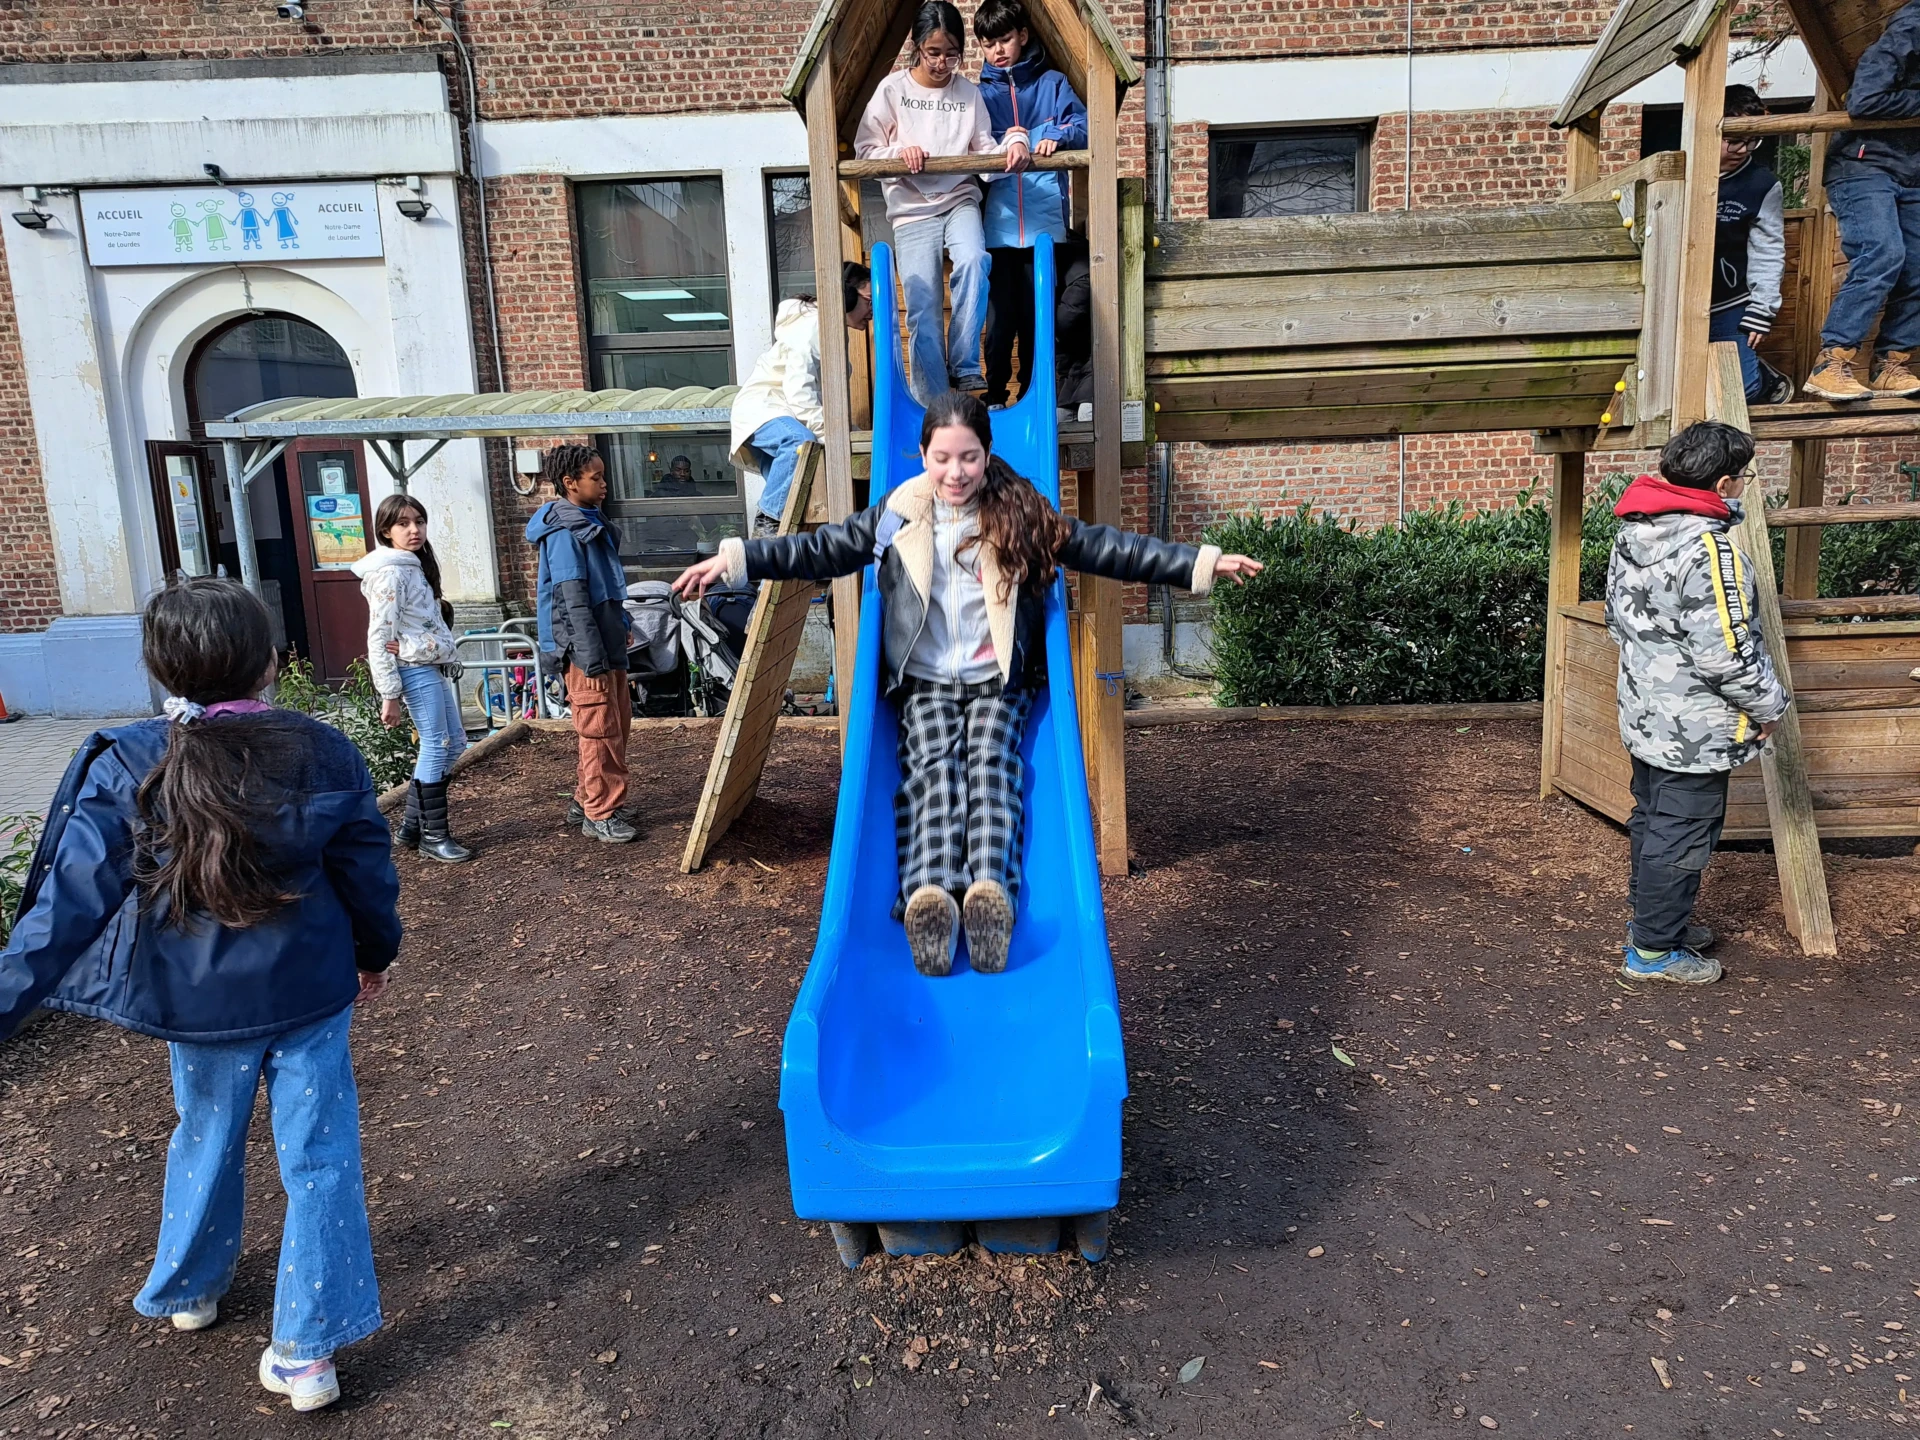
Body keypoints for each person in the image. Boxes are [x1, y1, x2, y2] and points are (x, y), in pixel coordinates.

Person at [672, 391, 1262, 976]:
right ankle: (929, 895)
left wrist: (1198, 563)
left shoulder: (1021, 512)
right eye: (943, 458)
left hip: (997, 682)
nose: (956, 472)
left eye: (969, 457)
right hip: (925, 682)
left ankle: (988, 895)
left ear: (987, 453)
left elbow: (1105, 548)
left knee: (990, 771)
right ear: (923, 453)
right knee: (930, 777)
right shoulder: (898, 515)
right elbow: (822, 550)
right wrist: (736, 559)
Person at [0, 577, 400, 1412]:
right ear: (268, 662)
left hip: (198, 1003)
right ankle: (308, 1355)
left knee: (205, 1133)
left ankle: (190, 1287)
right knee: (321, 1158)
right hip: (309, 990)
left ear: (161, 666)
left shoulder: (130, 760)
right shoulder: (324, 750)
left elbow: (64, 908)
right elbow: (365, 871)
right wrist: (375, 953)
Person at [1605, 421, 1791, 985]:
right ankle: (1653, 952)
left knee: (1653, 819)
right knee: (1681, 832)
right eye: (1745, 477)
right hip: (1696, 727)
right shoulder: (1710, 550)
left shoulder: (1634, 530)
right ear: (1725, 483)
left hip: (1645, 712)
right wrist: (1770, 706)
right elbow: (1726, 655)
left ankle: (1652, 924)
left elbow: (1617, 622)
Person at [855, 0, 1030, 404]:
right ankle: (932, 400)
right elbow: (866, 150)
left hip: (958, 198)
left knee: (974, 261)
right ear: (917, 46)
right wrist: (898, 153)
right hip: (911, 209)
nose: (941, 63)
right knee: (923, 304)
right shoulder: (892, 90)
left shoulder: (967, 93)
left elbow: (985, 153)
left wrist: (1016, 140)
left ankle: (965, 364)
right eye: (933, 52)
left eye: (952, 54)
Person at [974, 0, 1088, 411]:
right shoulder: (979, 95)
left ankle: (1031, 395)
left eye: (1005, 39)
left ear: (1022, 36)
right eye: (988, 43)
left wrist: (1058, 134)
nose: (998, 50)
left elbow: (1084, 125)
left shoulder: (1053, 84)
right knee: (999, 321)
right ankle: (995, 394)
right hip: (998, 229)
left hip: (1044, 227)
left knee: (1035, 317)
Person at [1806, 0, 1920, 401]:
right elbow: (1864, 101)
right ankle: (1831, 362)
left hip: (1912, 173)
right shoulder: (1909, 29)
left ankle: (1891, 364)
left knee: (1918, 265)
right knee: (1882, 252)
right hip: (1863, 164)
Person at [525, 445, 639, 843]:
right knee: (599, 729)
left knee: (614, 724)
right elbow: (571, 602)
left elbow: (605, 587)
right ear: (570, 482)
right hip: (586, 652)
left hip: (606, 644)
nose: (604, 484)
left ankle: (586, 799)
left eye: (603, 475)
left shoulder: (589, 520)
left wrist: (622, 623)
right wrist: (590, 661)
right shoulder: (564, 532)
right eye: (596, 478)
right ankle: (600, 814)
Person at [353, 494, 471, 862]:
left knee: (455, 743)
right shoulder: (391, 571)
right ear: (386, 530)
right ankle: (434, 836)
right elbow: (379, 636)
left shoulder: (414, 565)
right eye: (403, 524)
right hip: (413, 669)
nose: (414, 529)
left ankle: (412, 825)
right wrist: (389, 694)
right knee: (437, 744)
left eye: (419, 521)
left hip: (427, 664)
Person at [730, 262, 875, 535]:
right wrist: (833, 435)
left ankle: (774, 546)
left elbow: (829, 402)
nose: (872, 311)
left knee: (796, 504)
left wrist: (849, 432)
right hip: (764, 408)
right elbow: (800, 393)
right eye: (869, 301)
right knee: (800, 444)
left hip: (783, 412)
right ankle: (766, 524)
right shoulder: (813, 325)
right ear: (846, 295)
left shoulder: (832, 330)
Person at [1713, 86, 1793, 405]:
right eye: (1734, 140)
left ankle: (1765, 379)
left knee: (1742, 391)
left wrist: (1761, 309)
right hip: (1678, 301)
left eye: (1752, 141)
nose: (1743, 150)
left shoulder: (1762, 184)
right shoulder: (1680, 169)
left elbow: (1768, 250)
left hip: (1730, 301)